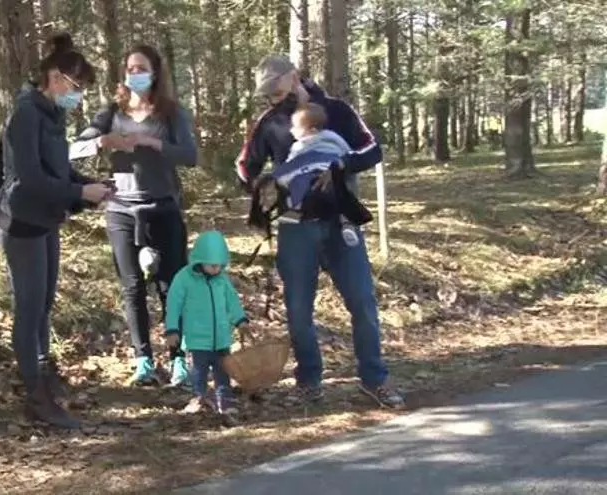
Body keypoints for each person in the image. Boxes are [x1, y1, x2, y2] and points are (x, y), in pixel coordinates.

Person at [235, 54, 405, 409]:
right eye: (266, 94)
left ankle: (375, 379)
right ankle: (309, 382)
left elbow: (373, 149)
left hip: (342, 222)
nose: (271, 98)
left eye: (276, 90)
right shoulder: (268, 122)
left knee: (362, 300)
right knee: (298, 310)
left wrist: (341, 165)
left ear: (294, 77)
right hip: (296, 227)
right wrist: (260, 186)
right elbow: (244, 167)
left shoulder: (338, 110)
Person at [0, 33, 113, 429]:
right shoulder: (25, 113)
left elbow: (57, 171)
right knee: (28, 310)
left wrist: (90, 187)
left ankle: (45, 375)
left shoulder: (52, 115)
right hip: (23, 221)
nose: (77, 96)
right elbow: (28, 178)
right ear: (54, 77)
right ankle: (34, 395)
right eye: (76, 87)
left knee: (43, 305)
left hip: (46, 220)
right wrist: (80, 191)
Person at [75, 44, 198, 387]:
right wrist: (104, 143)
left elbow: (190, 155)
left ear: (155, 72)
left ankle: (178, 361)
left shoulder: (172, 114)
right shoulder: (110, 113)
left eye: (141, 68)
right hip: (121, 210)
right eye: (129, 68)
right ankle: (143, 361)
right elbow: (73, 148)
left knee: (171, 287)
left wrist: (158, 145)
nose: (134, 74)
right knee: (132, 287)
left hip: (162, 208)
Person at [164, 230, 247, 420]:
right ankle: (199, 397)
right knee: (199, 371)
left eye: (220, 265)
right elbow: (173, 305)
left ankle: (225, 401)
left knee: (223, 372)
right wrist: (172, 329)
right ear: (200, 260)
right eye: (212, 265)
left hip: (221, 339)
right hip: (197, 338)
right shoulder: (184, 279)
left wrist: (240, 319)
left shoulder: (222, 280)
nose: (217, 269)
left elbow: (232, 302)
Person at [273, 102, 373, 247]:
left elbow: (291, 163)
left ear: (311, 130)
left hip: (313, 173)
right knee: (344, 201)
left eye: (296, 127)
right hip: (334, 173)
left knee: (300, 188)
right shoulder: (335, 138)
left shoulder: (300, 145)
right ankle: (347, 225)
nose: (291, 130)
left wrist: (280, 177)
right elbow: (346, 153)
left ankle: (294, 212)